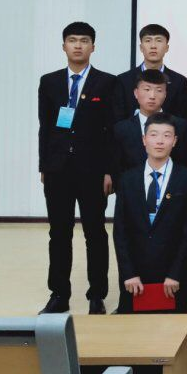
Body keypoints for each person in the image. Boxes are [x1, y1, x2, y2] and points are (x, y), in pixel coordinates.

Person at [37, 22, 115, 315]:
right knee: (59, 233)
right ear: (64, 46)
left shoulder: (107, 83)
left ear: (93, 46)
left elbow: (111, 131)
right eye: (72, 40)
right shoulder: (49, 82)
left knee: (95, 233)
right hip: (58, 169)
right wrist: (44, 165)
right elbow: (45, 127)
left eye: (84, 40)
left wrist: (109, 170)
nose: (78, 45)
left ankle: (97, 295)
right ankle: (59, 294)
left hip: (93, 171)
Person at [113, 113, 187, 313]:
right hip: (134, 279)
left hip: (172, 280)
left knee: (172, 329)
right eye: (154, 135)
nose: (160, 141)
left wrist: (176, 273)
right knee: (133, 330)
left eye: (166, 135)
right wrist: (128, 273)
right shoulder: (127, 179)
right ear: (144, 139)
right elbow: (120, 231)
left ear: (174, 141)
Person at [113, 69, 187, 173]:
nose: (152, 96)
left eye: (159, 90)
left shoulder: (180, 126)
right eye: (147, 89)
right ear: (136, 93)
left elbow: (186, 163)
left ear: (165, 94)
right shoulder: (122, 129)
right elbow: (117, 167)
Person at [113, 24, 187, 120]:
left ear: (167, 48)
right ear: (141, 47)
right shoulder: (124, 80)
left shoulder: (179, 81)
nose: (153, 46)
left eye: (159, 40)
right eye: (148, 41)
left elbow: (181, 119)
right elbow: (119, 119)